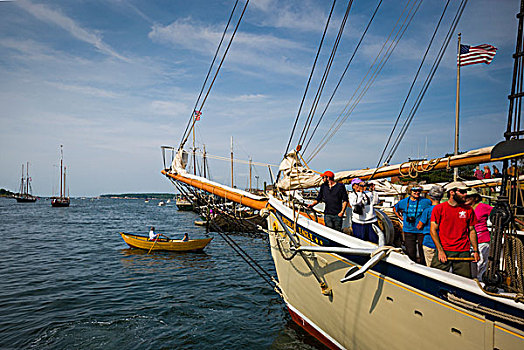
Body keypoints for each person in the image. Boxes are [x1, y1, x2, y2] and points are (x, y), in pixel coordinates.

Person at [430, 182, 480, 278]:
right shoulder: (439, 209)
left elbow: (472, 230)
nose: (465, 194)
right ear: (452, 192)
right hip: (444, 249)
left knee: (464, 282)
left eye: (466, 192)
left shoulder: (468, 210)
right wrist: (440, 250)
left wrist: (475, 250)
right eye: (462, 192)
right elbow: (433, 230)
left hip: (463, 251)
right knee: (434, 277)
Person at [393, 184, 431, 263]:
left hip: (422, 230)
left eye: (419, 191)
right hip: (408, 230)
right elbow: (395, 208)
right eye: (415, 191)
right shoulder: (403, 202)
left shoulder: (426, 201)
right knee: (410, 252)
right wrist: (400, 217)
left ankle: (423, 268)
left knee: (423, 252)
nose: (417, 192)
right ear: (410, 191)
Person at [465, 189, 493, 280]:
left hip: (482, 239)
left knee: (480, 263)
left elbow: (499, 213)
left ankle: (479, 281)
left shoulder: (483, 207)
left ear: (475, 198)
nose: (467, 198)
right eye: (466, 196)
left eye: (469, 196)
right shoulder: (463, 208)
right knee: (471, 263)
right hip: (468, 240)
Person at [416, 185, 444, 266]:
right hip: (443, 243)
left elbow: (419, 226)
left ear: (430, 198)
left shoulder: (427, 210)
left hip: (429, 242)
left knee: (430, 267)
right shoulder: (445, 209)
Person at [348, 178, 381, 244]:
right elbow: (355, 203)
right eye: (357, 184)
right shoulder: (352, 195)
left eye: (360, 184)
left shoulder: (368, 194)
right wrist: (360, 193)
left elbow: (376, 201)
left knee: (374, 242)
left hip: (371, 221)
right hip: (359, 222)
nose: (359, 186)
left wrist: (373, 191)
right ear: (353, 186)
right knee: (359, 242)